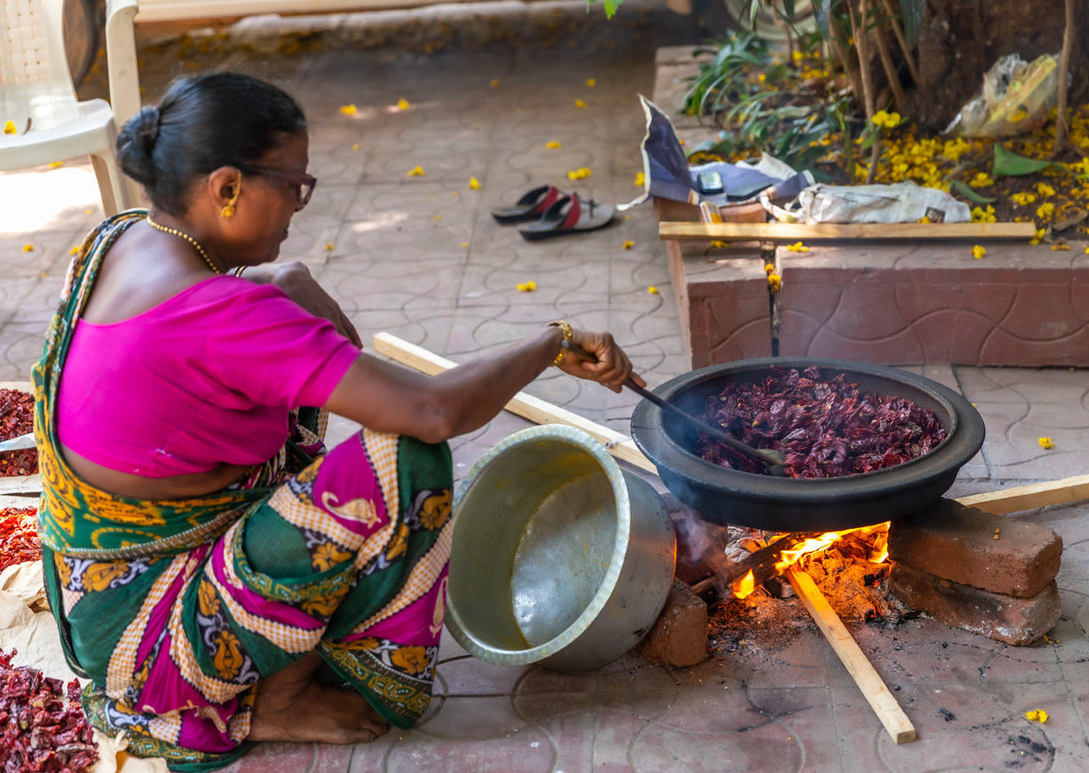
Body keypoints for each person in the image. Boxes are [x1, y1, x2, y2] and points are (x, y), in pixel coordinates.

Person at [33, 71, 642, 771]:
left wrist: (287, 282)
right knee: (401, 459)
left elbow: (324, 349)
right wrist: (551, 340)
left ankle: (273, 644)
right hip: (153, 647)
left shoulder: (120, 239)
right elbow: (432, 410)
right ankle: (281, 696)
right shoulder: (227, 318)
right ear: (226, 188)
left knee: (312, 372)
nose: (300, 203)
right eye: (293, 185)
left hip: (91, 601)